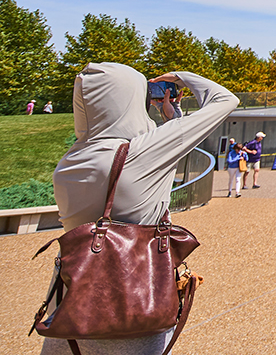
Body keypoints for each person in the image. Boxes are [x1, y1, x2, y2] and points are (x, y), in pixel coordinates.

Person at [43, 62, 237, 355]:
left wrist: (173, 121)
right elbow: (225, 100)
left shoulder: (70, 162)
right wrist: (180, 77)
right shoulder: (143, 153)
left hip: (70, 304)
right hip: (133, 300)